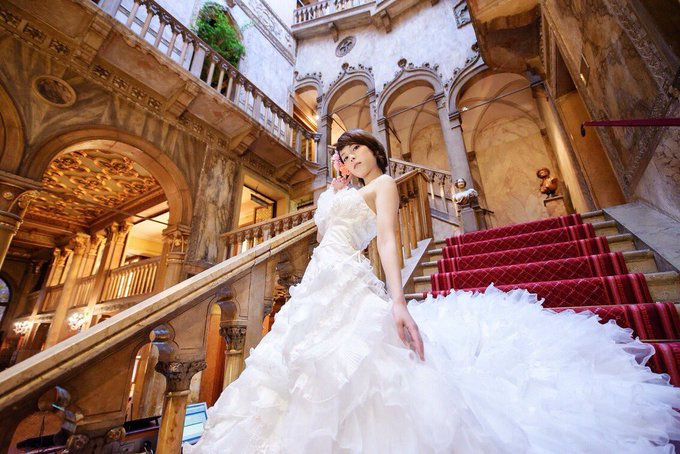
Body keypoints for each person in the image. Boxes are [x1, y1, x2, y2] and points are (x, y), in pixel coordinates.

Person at [185, 129, 680, 453]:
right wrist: (334, 191)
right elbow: (324, 228)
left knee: (359, 367)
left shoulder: (383, 186)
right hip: (316, 282)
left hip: (348, 280)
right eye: (344, 154)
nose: (349, 157)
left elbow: (386, 240)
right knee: (292, 370)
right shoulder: (337, 192)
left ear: (375, 153)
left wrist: (398, 300)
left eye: (357, 150)